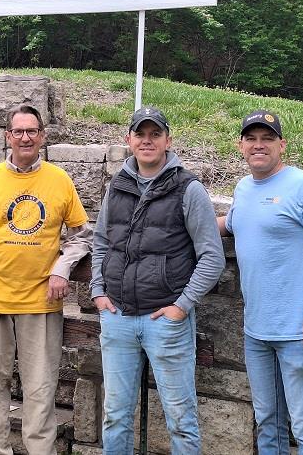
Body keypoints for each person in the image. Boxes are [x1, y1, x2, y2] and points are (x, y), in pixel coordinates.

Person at [0, 104, 92, 455]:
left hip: (41, 305)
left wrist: (62, 267)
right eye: (18, 131)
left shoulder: (59, 180)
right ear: (8, 136)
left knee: (41, 391)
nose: (25, 137)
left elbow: (82, 235)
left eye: (32, 131)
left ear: (42, 136)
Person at [90, 105, 225, 454]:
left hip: (165, 322)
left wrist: (181, 307)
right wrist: (98, 292)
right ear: (129, 140)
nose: (147, 141)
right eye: (140, 134)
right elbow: (102, 242)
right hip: (118, 317)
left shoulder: (188, 188)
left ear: (168, 140)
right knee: (115, 416)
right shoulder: (117, 186)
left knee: (181, 419)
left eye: (155, 134)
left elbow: (212, 256)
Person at [218, 110, 303, 454]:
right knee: (268, 422)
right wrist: (178, 221)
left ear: (282, 145)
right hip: (257, 332)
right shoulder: (244, 188)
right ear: (241, 145)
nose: (258, 145)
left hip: (300, 332)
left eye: (267, 138)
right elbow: (230, 224)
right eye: (251, 139)